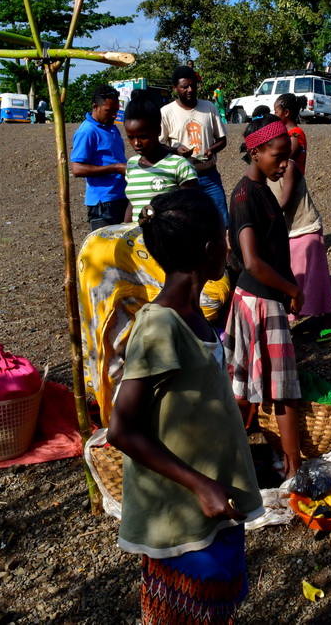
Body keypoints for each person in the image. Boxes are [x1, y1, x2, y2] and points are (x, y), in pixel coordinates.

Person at [107, 189, 263, 623]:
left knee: (215, 608)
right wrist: (199, 484)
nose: (230, 245)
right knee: (187, 610)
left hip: (213, 497)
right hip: (183, 509)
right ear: (211, 250)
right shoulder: (159, 324)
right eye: (225, 238)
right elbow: (123, 429)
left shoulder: (195, 315)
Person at [224, 114, 305, 479]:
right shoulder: (244, 196)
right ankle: (292, 468)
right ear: (255, 152)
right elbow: (253, 261)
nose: (285, 163)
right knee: (280, 390)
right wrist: (292, 289)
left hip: (263, 298)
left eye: (287, 156)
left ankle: (240, 461)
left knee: (250, 385)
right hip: (260, 301)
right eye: (278, 155)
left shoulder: (261, 191)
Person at [271, 93, 331, 342]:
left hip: (301, 217)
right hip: (293, 219)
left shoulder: (294, 137)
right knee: (296, 272)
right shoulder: (284, 144)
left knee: (312, 274)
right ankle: (299, 317)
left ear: (285, 111)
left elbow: (288, 157)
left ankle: (325, 317)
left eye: (276, 110)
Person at [160, 65, 229, 225]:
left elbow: (222, 140)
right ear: (175, 88)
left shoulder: (209, 108)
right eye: (185, 87)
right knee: (186, 224)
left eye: (193, 85)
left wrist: (212, 149)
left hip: (210, 177)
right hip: (181, 179)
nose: (190, 90)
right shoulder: (166, 112)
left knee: (222, 222)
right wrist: (176, 151)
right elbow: (160, 145)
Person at [122, 91, 198, 222]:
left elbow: (195, 207)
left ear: (158, 130)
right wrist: (124, 229)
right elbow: (133, 203)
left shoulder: (179, 165)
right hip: (137, 241)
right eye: (130, 137)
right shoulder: (131, 165)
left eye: (143, 137)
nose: (136, 143)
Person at [71, 85, 128, 231]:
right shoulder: (87, 131)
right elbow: (77, 169)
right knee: (105, 249)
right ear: (95, 107)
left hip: (120, 196)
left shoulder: (111, 127)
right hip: (103, 203)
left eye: (116, 111)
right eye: (110, 111)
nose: (115, 115)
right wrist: (116, 168)